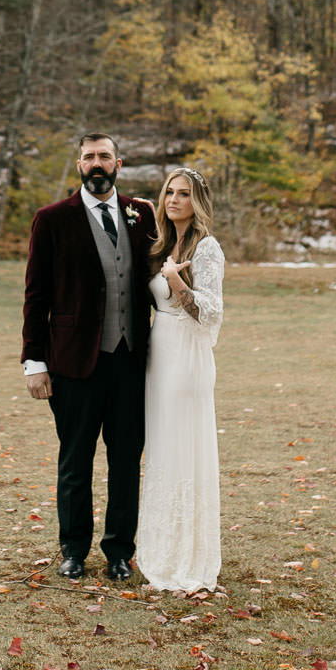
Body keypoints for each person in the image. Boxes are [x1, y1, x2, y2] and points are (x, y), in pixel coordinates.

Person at [21, 132, 156, 581]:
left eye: (104, 156)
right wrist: (33, 362)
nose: (96, 164)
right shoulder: (53, 219)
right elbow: (35, 295)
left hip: (132, 362)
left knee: (125, 461)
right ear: (78, 165)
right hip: (74, 363)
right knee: (75, 460)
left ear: (119, 163)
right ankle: (73, 549)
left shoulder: (144, 213)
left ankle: (120, 551)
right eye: (88, 157)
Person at [136, 166, 224, 593]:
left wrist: (176, 282)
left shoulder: (207, 248)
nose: (173, 200)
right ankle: (160, 546)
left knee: (184, 446)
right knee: (163, 446)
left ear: (198, 201)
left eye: (184, 194)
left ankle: (188, 554)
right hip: (160, 351)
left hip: (187, 353)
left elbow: (211, 311)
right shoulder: (161, 242)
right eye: (169, 192)